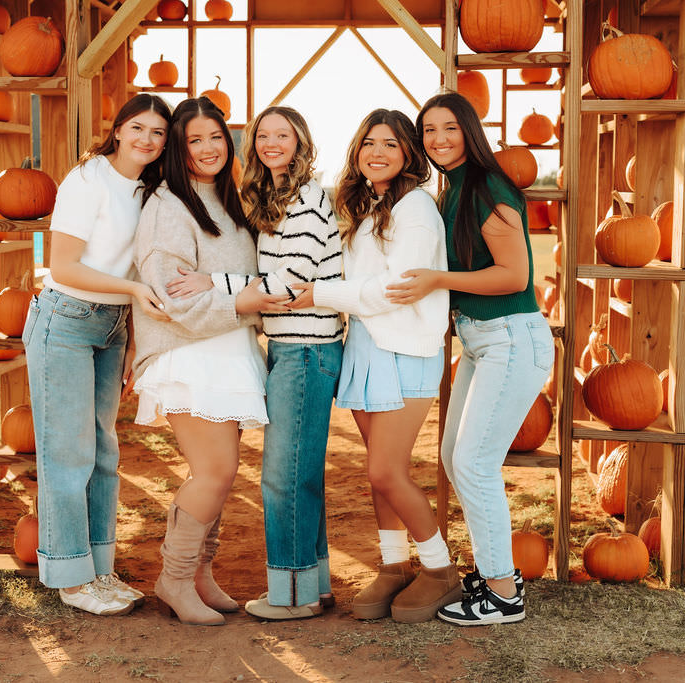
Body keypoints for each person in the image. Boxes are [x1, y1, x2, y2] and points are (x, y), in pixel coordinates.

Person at [166, 106, 344, 621]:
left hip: (306, 348)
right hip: (294, 347)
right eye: (262, 135)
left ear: (300, 140)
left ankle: (292, 596)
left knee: (283, 476)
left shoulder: (307, 200)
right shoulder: (274, 198)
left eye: (282, 134)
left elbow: (289, 286)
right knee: (300, 472)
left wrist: (210, 283)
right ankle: (314, 584)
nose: (270, 143)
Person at [386, 92, 555, 625]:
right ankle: (493, 571)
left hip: (511, 336)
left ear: (469, 131)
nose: (438, 139)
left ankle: (503, 593)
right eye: (428, 130)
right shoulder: (451, 189)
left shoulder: (488, 185)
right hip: (481, 340)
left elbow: (515, 275)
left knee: (473, 463)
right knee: (455, 458)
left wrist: (438, 280)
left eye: (449, 129)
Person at [290, 109, 460, 623]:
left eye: (390, 143)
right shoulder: (372, 206)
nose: (378, 152)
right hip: (365, 345)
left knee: (384, 468)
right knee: (382, 474)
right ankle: (393, 565)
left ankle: (440, 570)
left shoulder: (414, 210)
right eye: (369, 142)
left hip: (405, 348)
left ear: (409, 152)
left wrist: (317, 294)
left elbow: (396, 290)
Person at [131, 97, 289, 626]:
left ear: (230, 141)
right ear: (177, 148)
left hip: (229, 351)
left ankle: (199, 573)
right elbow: (172, 295)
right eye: (193, 140)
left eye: (215, 137)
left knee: (221, 472)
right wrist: (244, 301)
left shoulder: (230, 200)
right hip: (190, 353)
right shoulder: (168, 205)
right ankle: (173, 578)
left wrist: (242, 297)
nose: (207, 149)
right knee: (214, 471)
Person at [23, 93, 172, 616]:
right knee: (69, 454)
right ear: (118, 129)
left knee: (105, 450)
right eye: (138, 127)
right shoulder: (88, 179)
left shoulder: (152, 189)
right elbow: (63, 266)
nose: (147, 139)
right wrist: (131, 297)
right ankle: (69, 574)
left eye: (157, 131)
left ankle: (100, 569)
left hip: (110, 327)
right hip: (65, 320)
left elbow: (136, 269)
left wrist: (131, 336)